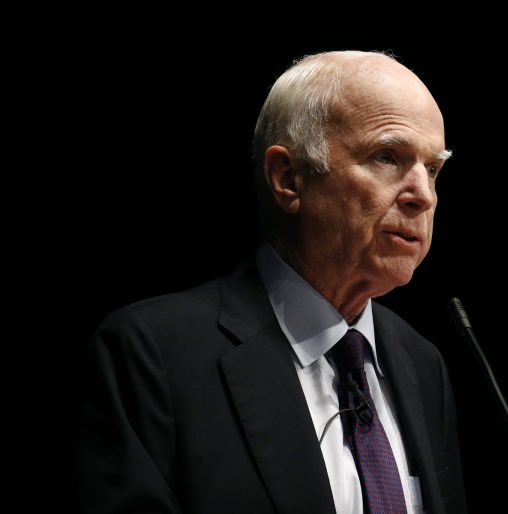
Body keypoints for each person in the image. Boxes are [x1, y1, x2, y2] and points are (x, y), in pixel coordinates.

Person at [72, 50, 468, 514]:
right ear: (288, 178)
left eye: (433, 169)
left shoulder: (421, 363)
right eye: (387, 156)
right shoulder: (152, 355)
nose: (423, 195)